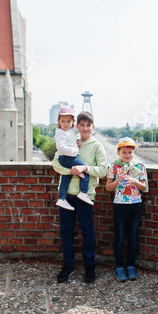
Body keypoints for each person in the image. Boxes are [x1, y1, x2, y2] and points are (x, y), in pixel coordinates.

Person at [52, 111, 108, 284]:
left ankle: (89, 265)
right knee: (66, 232)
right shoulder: (68, 138)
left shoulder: (97, 145)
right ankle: (68, 265)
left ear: (93, 127)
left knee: (87, 232)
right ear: (77, 126)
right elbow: (55, 163)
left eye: (88, 125)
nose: (84, 128)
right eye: (81, 125)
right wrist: (70, 171)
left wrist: (84, 169)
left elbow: (104, 170)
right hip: (67, 194)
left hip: (86, 195)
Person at [106, 137, 148, 282]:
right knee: (119, 237)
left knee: (133, 237)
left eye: (130, 152)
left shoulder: (139, 167)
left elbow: (144, 187)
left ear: (133, 152)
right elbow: (107, 187)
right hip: (119, 205)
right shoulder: (114, 166)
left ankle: (131, 266)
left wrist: (135, 181)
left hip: (135, 204)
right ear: (118, 152)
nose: (127, 155)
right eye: (124, 152)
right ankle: (119, 267)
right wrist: (117, 181)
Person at [54, 104, 93, 211]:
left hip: (67, 158)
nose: (65, 124)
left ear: (72, 122)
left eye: (68, 121)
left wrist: (76, 143)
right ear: (58, 121)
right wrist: (75, 150)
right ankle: (83, 192)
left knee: (66, 177)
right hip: (68, 158)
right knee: (85, 170)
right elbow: (61, 147)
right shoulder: (60, 133)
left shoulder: (68, 132)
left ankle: (61, 198)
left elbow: (69, 142)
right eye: (63, 121)